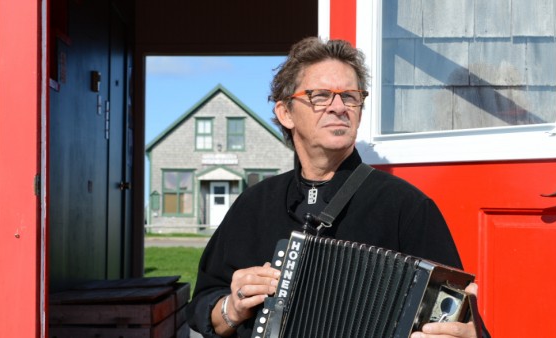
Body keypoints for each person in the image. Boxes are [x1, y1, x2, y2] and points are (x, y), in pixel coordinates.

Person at [185, 37, 490, 338]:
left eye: (350, 96)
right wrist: (231, 309)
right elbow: (202, 307)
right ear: (286, 113)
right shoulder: (253, 204)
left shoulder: (407, 207)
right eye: (320, 95)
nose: (338, 107)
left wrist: (467, 335)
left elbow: (460, 322)